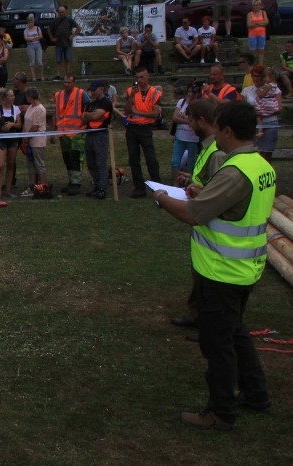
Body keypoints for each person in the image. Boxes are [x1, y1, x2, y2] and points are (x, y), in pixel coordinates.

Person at [151, 101, 274, 430]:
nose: (214, 134)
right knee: (236, 334)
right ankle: (256, 393)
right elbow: (231, 207)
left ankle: (220, 412)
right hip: (245, 268)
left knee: (217, 345)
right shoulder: (259, 165)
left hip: (222, 271)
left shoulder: (235, 172)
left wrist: (162, 198)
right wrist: (203, 191)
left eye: (218, 129)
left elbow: (194, 214)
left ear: (229, 132)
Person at [169, 97, 224, 330]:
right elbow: (207, 181)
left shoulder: (217, 152)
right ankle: (197, 314)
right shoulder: (207, 145)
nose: (188, 126)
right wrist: (191, 180)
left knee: (211, 279)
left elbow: (219, 190)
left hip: (213, 227)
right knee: (199, 273)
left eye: (190, 120)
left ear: (202, 120)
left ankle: (207, 323)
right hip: (203, 227)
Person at [123, 67, 162, 198]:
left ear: (147, 77)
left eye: (142, 77)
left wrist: (137, 112)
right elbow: (127, 110)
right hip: (132, 128)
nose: (139, 80)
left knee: (151, 159)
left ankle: (157, 186)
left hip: (145, 128)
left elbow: (156, 114)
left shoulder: (155, 93)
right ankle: (139, 187)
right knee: (133, 159)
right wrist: (131, 97)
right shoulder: (131, 91)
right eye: (137, 78)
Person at [52, 74, 89, 195]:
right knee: (67, 157)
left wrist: (84, 122)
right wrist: (53, 131)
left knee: (76, 157)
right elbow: (56, 113)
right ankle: (71, 180)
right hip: (63, 132)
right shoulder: (58, 95)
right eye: (65, 82)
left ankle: (76, 183)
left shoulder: (81, 93)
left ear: (74, 82)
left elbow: (88, 108)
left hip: (77, 131)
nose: (66, 84)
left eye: (69, 82)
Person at [80, 80, 113, 200]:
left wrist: (89, 115)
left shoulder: (106, 103)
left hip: (100, 136)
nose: (92, 92)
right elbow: (83, 119)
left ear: (101, 89)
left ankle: (102, 188)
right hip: (89, 135)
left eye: (94, 90)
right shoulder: (90, 104)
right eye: (91, 90)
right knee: (91, 163)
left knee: (101, 163)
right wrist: (90, 115)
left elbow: (94, 116)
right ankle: (97, 185)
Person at [242, 65, 282, 161]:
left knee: (266, 155)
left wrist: (264, 113)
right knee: (251, 154)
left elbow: (280, 108)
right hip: (252, 124)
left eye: (258, 76)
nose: (255, 78)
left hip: (270, 122)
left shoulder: (273, 89)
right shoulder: (246, 91)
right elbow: (242, 108)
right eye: (253, 76)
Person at [0, 88, 22, 202]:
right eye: (11, 96)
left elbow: (20, 125)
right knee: (0, 165)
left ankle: (8, 191)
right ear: (4, 98)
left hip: (13, 140)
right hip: (1, 141)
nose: (13, 97)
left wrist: (12, 124)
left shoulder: (16, 109)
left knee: (10, 165)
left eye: (13, 95)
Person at [19, 87, 47, 197]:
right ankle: (32, 187)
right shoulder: (31, 107)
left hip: (37, 142)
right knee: (31, 165)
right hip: (29, 141)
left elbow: (35, 126)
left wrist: (26, 138)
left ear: (30, 97)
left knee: (39, 164)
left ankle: (42, 187)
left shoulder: (40, 109)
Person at [170, 86, 201, 184]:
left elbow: (197, 121)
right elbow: (175, 118)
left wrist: (183, 120)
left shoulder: (199, 104)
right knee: (175, 162)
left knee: (191, 163)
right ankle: (176, 183)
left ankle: (188, 183)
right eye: (188, 91)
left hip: (193, 138)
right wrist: (188, 121)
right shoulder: (181, 102)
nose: (190, 94)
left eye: (192, 92)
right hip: (180, 136)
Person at [48, 5, 79, 80]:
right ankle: (58, 75)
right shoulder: (55, 21)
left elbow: (79, 27)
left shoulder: (69, 20)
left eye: (63, 12)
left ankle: (67, 75)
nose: (61, 13)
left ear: (65, 12)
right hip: (58, 43)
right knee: (58, 60)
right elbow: (49, 30)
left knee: (67, 59)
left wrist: (73, 35)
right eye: (60, 12)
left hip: (67, 43)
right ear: (58, 12)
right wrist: (52, 38)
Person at [23, 14, 44, 82]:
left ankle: (42, 76)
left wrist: (32, 38)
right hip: (30, 46)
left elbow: (40, 36)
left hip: (38, 45)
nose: (31, 23)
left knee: (40, 61)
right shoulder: (26, 30)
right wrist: (34, 37)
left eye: (32, 22)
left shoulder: (37, 28)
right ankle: (33, 77)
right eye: (29, 22)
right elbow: (26, 38)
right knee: (32, 62)